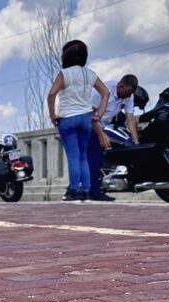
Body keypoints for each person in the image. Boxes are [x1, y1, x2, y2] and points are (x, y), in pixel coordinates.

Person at [47, 40, 109, 202]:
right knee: (83, 156)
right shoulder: (90, 74)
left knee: (73, 157)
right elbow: (106, 93)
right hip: (86, 118)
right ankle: (87, 191)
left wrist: (53, 114)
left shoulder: (64, 74)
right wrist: (99, 114)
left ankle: (74, 190)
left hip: (68, 118)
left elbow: (51, 94)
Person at [87, 74, 140, 202]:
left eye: (130, 94)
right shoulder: (102, 90)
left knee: (102, 157)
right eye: (126, 93)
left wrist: (136, 141)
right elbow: (89, 115)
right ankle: (93, 192)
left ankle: (95, 189)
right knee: (94, 158)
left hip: (102, 125)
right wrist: (101, 134)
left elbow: (130, 118)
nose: (127, 96)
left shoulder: (129, 95)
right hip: (87, 125)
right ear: (120, 86)